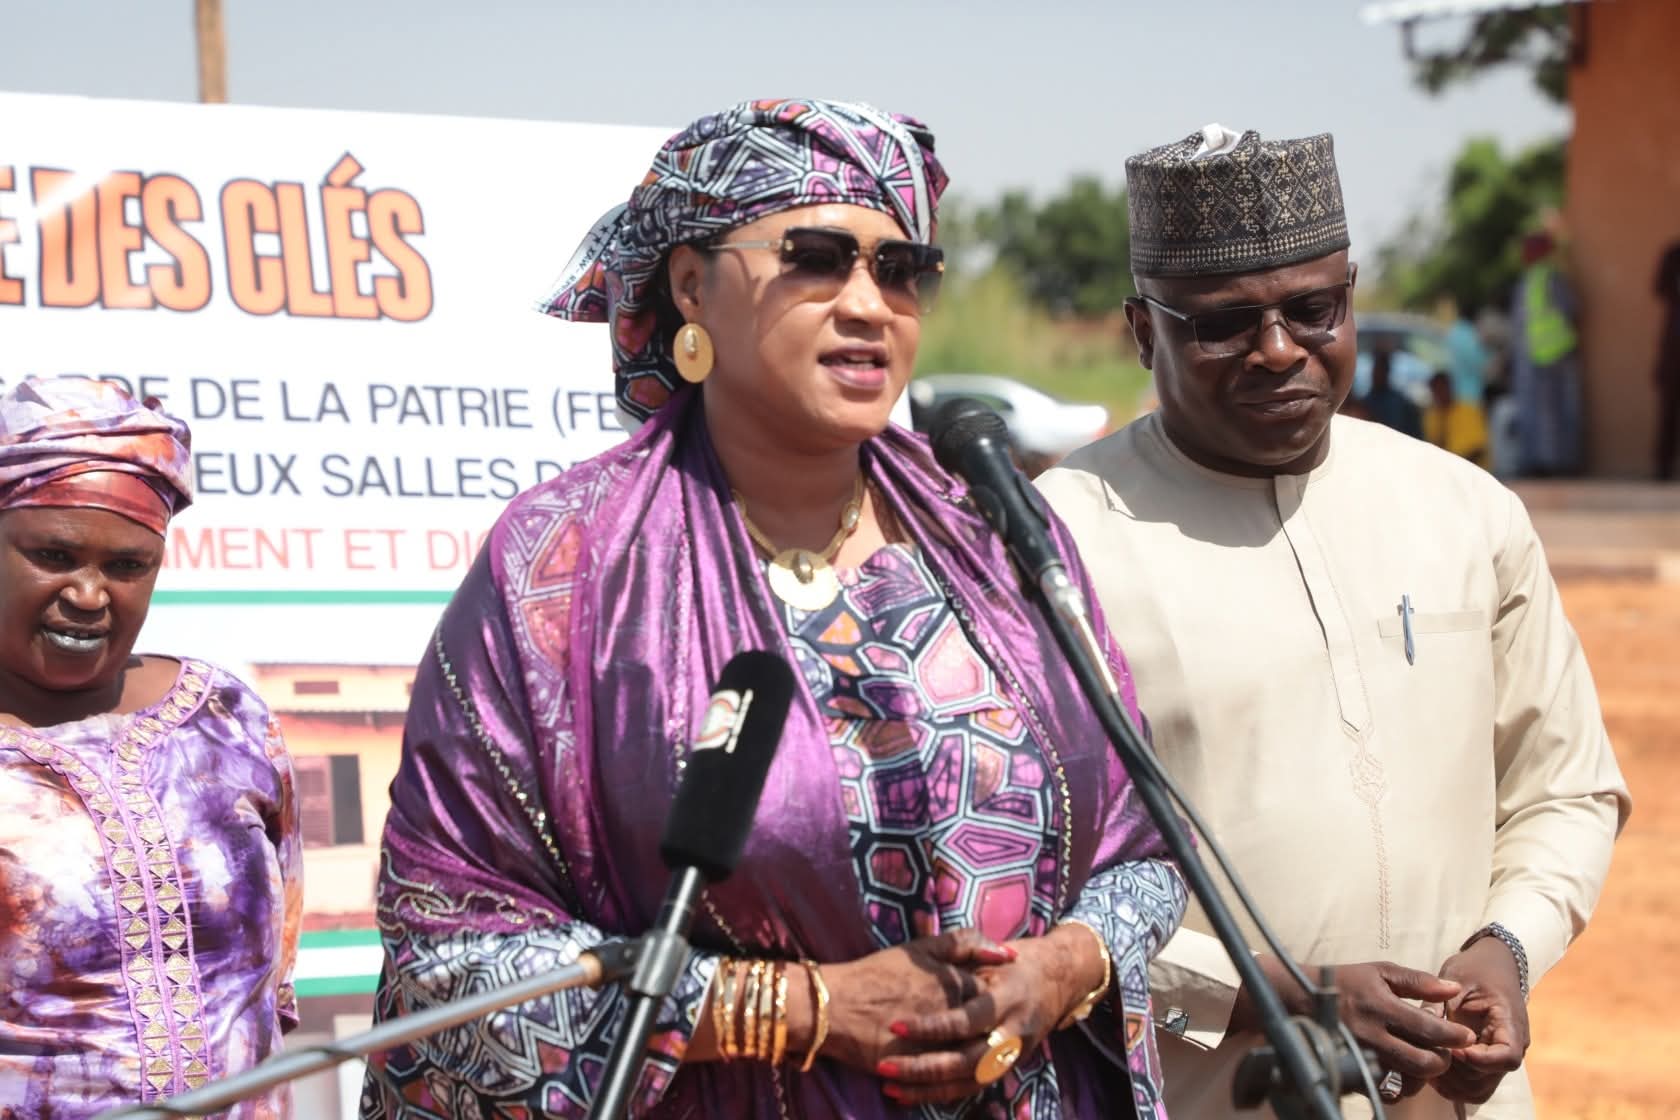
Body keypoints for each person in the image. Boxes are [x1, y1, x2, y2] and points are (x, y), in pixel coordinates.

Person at [359, 99, 1186, 1120]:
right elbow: (449, 955)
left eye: (901, 270)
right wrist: (799, 1009)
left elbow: (1146, 845)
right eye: (816, 259)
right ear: (691, 285)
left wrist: (1063, 967)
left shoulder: (991, 526)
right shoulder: (560, 567)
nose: (869, 304)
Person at [1037, 124, 1630, 1120]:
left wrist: (1508, 948)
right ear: (1142, 332)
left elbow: (1565, 789)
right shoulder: (1054, 547)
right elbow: (1021, 889)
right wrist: (1264, 997)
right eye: (1224, 324)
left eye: (1314, 309)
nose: (1278, 351)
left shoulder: (1465, 510)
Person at [0, 377, 302, 1119]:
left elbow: (275, 986)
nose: (90, 595)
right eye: (54, 555)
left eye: (128, 566)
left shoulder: (226, 720)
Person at [1509, 231, 1583, 476]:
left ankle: (1556, 464)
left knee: (1551, 414)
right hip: (1542, 355)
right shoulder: (1537, 278)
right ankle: (1547, 463)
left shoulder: (1548, 278)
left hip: (1551, 355)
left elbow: (1570, 310)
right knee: (1548, 413)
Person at [1652, 236, 1680, 481]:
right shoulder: (1673, 255)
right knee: (1669, 409)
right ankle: (1663, 468)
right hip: (1674, 347)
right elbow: (1659, 289)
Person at [1423, 370, 1490, 469]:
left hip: (1473, 469)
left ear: (1449, 387)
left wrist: (1458, 467)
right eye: (1436, 390)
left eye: (1442, 388)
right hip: (1447, 470)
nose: (1440, 393)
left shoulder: (1468, 410)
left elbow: (1478, 449)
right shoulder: (1432, 416)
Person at [1359, 348, 1422, 439]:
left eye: (1381, 370)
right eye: (1376, 370)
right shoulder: (1364, 403)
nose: (1377, 374)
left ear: (1387, 372)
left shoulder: (1400, 402)